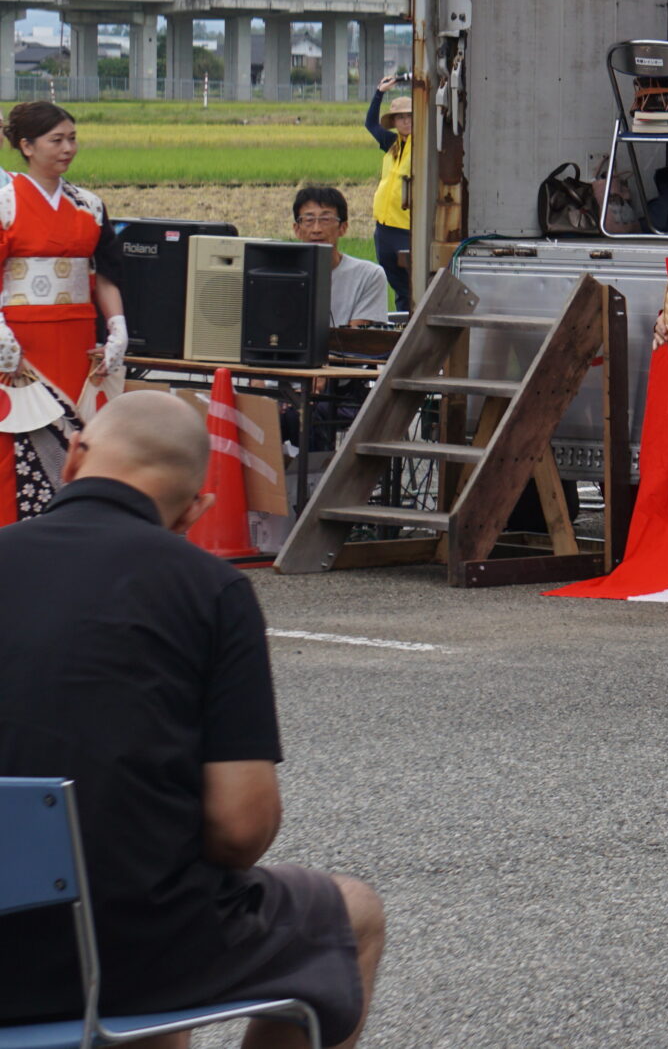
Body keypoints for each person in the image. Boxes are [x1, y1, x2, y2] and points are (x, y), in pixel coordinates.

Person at [0, 393, 388, 1046]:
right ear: (193, 511)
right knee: (352, 916)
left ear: (74, 460)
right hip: (128, 956)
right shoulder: (212, 591)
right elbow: (241, 828)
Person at [0, 101, 126, 524]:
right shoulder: (5, 201)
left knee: (85, 439)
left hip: (78, 343)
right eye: (57, 140)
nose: (68, 148)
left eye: (72, 138)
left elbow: (104, 274)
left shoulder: (89, 204)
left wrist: (117, 329)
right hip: (17, 345)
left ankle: (77, 531)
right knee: (14, 441)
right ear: (26, 146)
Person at [292, 186, 391, 327]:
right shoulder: (279, 275)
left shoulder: (369, 275)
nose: (317, 229)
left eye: (325, 219)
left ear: (343, 227)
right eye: (309, 220)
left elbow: (354, 339)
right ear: (297, 229)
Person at [362, 77, 414, 308]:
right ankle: (402, 325)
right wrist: (378, 93)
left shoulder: (424, 143)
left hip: (406, 227)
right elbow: (371, 124)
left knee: (410, 285)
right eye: (401, 117)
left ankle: (409, 325)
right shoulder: (392, 142)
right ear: (394, 121)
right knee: (395, 283)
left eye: (410, 116)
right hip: (383, 228)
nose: (406, 121)